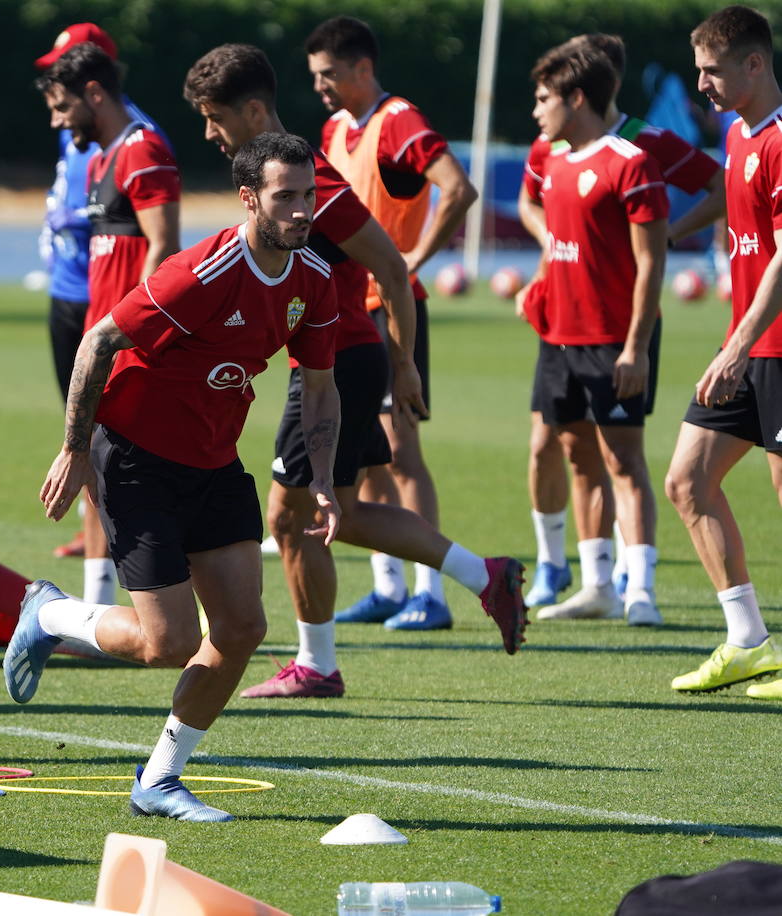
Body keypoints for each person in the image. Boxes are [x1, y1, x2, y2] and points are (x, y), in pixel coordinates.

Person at [4, 133, 342, 820]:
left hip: (215, 463)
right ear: (250, 200)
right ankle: (51, 613)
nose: (303, 209)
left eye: (309, 195)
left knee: (243, 627)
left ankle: (159, 779)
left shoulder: (314, 279)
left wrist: (325, 480)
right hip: (136, 459)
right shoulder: (205, 272)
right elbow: (99, 340)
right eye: (286, 197)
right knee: (172, 643)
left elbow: (322, 386)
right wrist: (73, 448)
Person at [182, 44, 526, 701]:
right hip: (332, 358)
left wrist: (403, 367)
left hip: (341, 362)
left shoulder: (314, 184)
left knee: (295, 517)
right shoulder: (273, 177)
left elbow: (392, 268)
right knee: (339, 511)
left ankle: (317, 666)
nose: (208, 132)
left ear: (253, 111)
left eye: (215, 117)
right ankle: (486, 576)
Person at [517, 34, 725, 615]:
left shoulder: (637, 153)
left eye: (542, 98)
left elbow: (661, 249)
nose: (535, 112)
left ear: (577, 95)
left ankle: (640, 589)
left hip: (615, 336)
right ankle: (595, 583)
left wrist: (636, 341)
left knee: (623, 460)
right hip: (558, 333)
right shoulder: (552, 155)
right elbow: (547, 218)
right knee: (574, 455)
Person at [308, 16, 479, 630]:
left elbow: (459, 189)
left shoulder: (397, 119)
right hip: (350, 313)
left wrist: (410, 263)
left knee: (403, 454)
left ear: (362, 69)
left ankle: (430, 595)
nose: (321, 87)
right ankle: (387, 587)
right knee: (367, 459)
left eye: (329, 74)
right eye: (315, 77)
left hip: (393, 313)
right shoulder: (334, 128)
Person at [36, 42, 180, 607]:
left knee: (132, 471)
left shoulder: (143, 150)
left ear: (94, 93)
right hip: (101, 336)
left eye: (62, 107)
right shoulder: (98, 157)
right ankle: (95, 607)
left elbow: (163, 246)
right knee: (94, 470)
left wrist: (131, 333)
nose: (57, 120)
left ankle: (140, 603)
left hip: (130, 341)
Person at [665, 5, 782, 696]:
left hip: (770, 347)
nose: (701, 82)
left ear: (755, 63)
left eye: (712, 70)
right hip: (746, 345)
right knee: (688, 480)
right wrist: (673, 230)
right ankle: (748, 641)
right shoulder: (739, 133)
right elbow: (731, 207)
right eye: (698, 68)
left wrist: (737, 344)